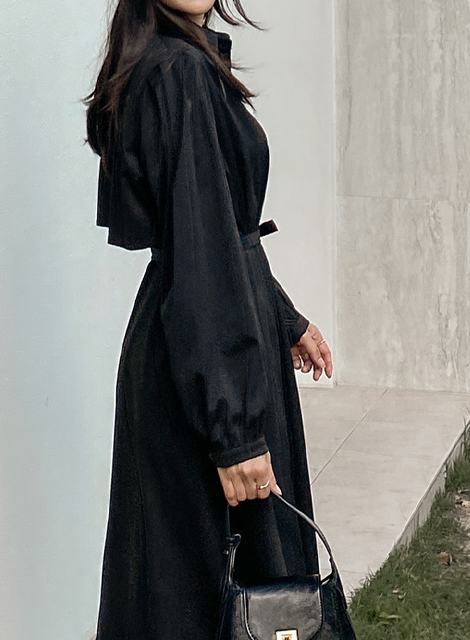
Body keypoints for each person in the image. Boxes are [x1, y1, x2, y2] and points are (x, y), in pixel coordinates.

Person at [84, 0, 333, 637]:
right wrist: (235, 434)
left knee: (205, 595)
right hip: (204, 365)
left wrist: (283, 318)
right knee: (220, 598)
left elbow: (215, 234)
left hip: (200, 343)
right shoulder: (180, 72)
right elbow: (204, 248)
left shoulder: (171, 60)